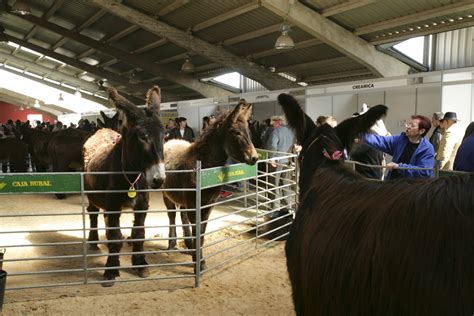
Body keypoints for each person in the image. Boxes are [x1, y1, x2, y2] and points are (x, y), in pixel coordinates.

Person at [363, 114, 434, 179]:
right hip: (393, 183)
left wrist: (399, 167)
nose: (408, 127)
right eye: (409, 124)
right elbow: (381, 141)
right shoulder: (400, 139)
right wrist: (360, 135)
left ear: (421, 131)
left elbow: (424, 172)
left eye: (412, 126)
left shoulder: (427, 149)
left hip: (412, 189)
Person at [267, 115, 295, 215]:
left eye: (273, 122)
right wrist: (291, 160)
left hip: (277, 161)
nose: (272, 124)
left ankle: (274, 207)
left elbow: (273, 146)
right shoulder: (291, 132)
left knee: (273, 184)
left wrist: (271, 158)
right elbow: (292, 147)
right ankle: (287, 206)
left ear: (278, 122)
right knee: (285, 184)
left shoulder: (276, 131)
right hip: (286, 160)